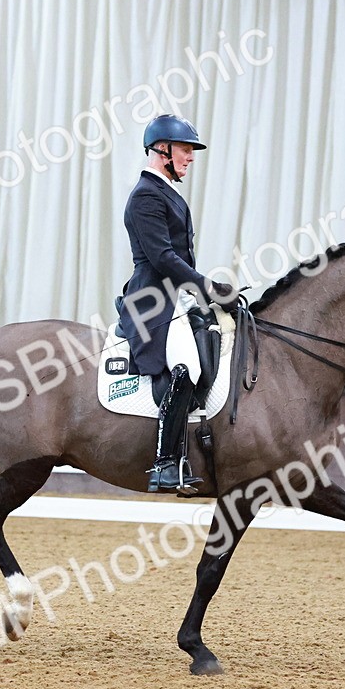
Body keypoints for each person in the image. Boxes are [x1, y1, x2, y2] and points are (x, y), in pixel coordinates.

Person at [116, 114, 239, 494]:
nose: (190, 157)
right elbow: (163, 259)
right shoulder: (146, 196)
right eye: (185, 149)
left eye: (191, 150)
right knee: (187, 367)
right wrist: (208, 287)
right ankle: (165, 463)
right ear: (161, 150)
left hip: (176, 298)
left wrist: (205, 293)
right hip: (152, 303)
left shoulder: (167, 192)